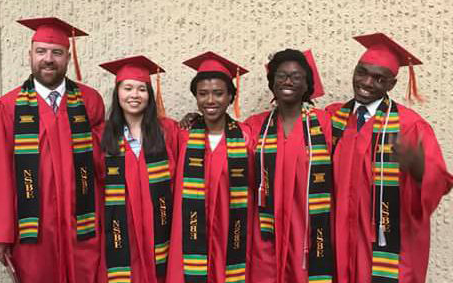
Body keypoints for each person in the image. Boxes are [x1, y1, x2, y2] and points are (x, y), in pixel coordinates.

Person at [0, 17, 105, 283]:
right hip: (32, 229)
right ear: (30, 55)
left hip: (83, 224)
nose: (48, 59)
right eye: (41, 51)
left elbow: (104, 161)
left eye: (57, 52)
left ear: (68, 58)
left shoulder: (89, 101)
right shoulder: (7, 107)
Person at [327, 33, 453, 283]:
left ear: (391, 85)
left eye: (378, 78)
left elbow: (438, 183)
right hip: (338, 241)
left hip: (386, 250)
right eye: (361, 72)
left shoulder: (410, 126)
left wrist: (420, 170)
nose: (366, 82)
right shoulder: (332, 119)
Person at [245, 49, 335, 283]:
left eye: (296, 77)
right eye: (281, 76)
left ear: (307, 85)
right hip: (265, 229)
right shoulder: (255, 126)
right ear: (272, 83)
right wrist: (199, 119)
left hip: (308, 229)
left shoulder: (324, 123)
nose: (288, 81)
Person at [166, 51, 253, 283]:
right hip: (189, 228)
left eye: (218, 93)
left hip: (230, 228)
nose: (211, 100)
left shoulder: (246, 137)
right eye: (203, 94)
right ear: (195, 97)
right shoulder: (182, 134)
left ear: (231, 97)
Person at [98, 56, 179, 283]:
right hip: (121, 230)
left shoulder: (168, 131)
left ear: (150, 96)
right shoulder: (101, 136)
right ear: (118, 93)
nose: (134, 95)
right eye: (128, 88)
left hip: (160, 228)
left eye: (142, 89)